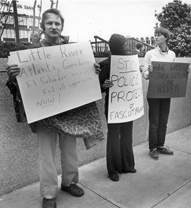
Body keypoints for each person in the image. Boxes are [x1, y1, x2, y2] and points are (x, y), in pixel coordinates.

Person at [5, 9, 104, 208]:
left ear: (61, 27)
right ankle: (49, 194)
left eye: (57, 24)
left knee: (70, 150)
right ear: (43, 27)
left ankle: (70, 182)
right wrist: (12, 76)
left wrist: (93, 71)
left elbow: (84, 79)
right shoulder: (28, 53)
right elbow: (17, 86)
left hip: (69, 111)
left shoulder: (73, 52)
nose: (53, 27)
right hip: (44, 112)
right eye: (49, 23)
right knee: (46, 155)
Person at [99, 34, 136, 182]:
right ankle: (113, 169)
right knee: (114, 136)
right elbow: (98, 88)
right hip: (114, 106)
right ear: (117, 47)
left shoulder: (130, 62)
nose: (127, 47)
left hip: (127, 104)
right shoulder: (106, 64)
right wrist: (104, 85)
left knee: (127, 134)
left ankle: (127, 164)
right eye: (124, 45)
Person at [142, 27, 176, 160]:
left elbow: (174, 73)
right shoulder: (150, 54)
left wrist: (185, 72)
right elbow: (144, 74)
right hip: (154, 91)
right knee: (154, 121)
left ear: (166, 38)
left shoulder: (172, 54)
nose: (156, 37)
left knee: (164, 120)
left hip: (166, 91)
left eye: (159, 35)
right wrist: (149, 71)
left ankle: (161, 145)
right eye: (155, 35)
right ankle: (153, 148)